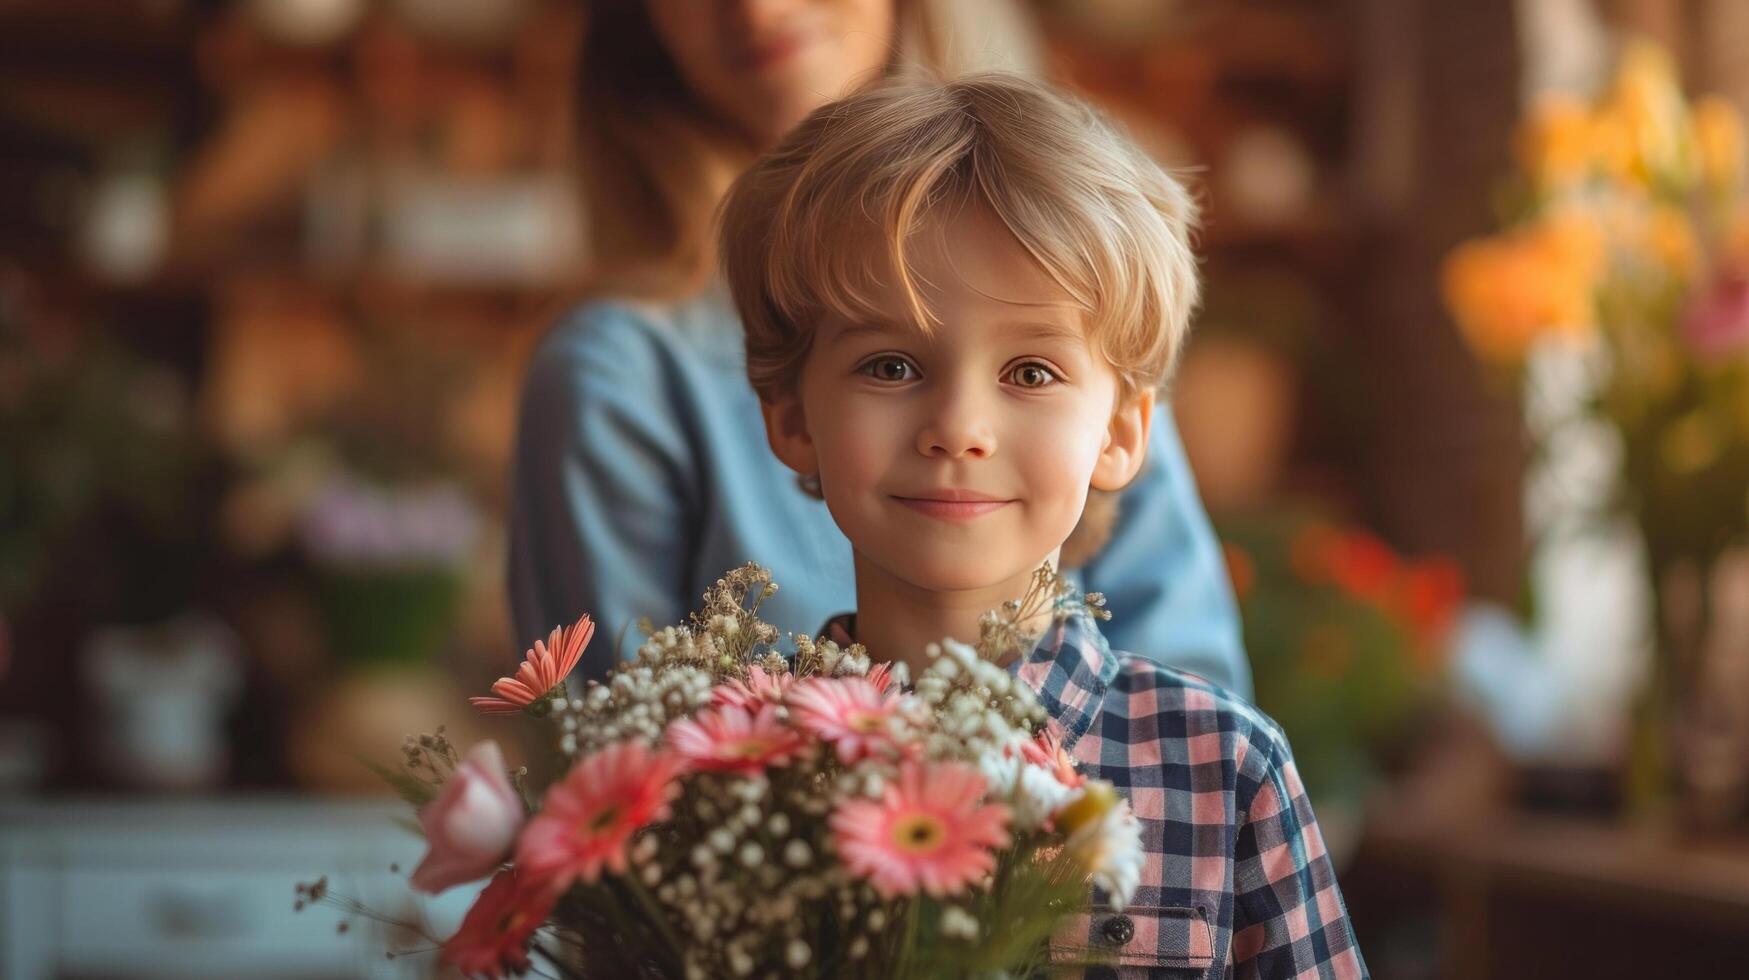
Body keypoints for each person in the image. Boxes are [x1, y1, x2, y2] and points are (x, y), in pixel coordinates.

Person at [717, 73, 1365, 977]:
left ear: (1122, 431)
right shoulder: (720, 774)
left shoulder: (1225, 768)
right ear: (789, 415)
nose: (958, 428)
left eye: (1028, 373)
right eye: (892, 364)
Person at [508, 0, 1250, 698]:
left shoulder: (1070, 279)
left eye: (1028, 371)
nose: (756, 8)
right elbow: (617, 771)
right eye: (888, 366)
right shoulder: (618, 369)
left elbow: (1190, 719)